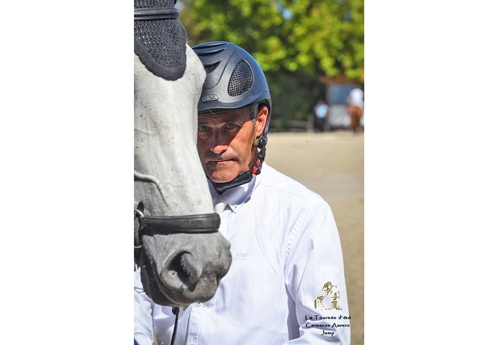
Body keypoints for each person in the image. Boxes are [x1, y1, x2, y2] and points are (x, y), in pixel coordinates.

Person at [134, 41, 351, 345]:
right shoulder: (156, 208)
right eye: (202, 128)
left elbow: (328, 335)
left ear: (260, 120)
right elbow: (135, 302)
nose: (216, 145)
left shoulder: (304, 213)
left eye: (231, 126)